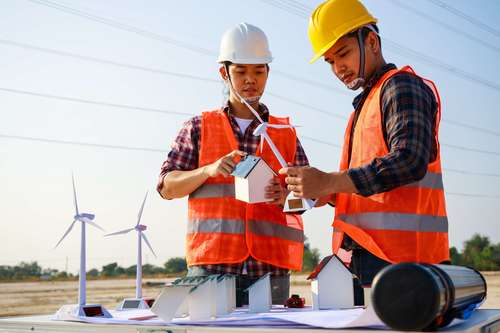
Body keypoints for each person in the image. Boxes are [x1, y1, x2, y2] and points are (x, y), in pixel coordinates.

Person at [279, 0, 449, 299]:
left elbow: (409, 160)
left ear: (371, 41)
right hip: (366, 258)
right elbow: (364, 187)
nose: (337, 68)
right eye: (329, 61)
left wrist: (329, 180)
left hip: (403, 262)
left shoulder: (401, 87)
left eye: (342, 53)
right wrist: (320, 192)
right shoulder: (363, 106)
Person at [157, 22, 309, 306]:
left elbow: (309, 197)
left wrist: (288, 196)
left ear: (268, 72)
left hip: (270, 270)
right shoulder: (198, 127)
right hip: (212, 268)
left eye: (258, 70)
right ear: (223, 73)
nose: (250, 79)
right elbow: (166, 187)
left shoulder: (284, 133)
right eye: (241, 71)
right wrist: (208, 170)